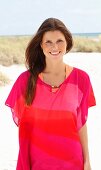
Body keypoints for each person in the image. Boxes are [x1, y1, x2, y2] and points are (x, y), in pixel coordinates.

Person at [5, 18, 96, 170]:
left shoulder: (81, 79)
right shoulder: (25, 81)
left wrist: (87, 161)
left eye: (59, 40)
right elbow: (25, 128)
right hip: (38, 162)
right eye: (48, 42)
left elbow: (81, 124)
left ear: (67, 42)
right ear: (41, 45)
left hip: (72, 161)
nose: (54, 46)